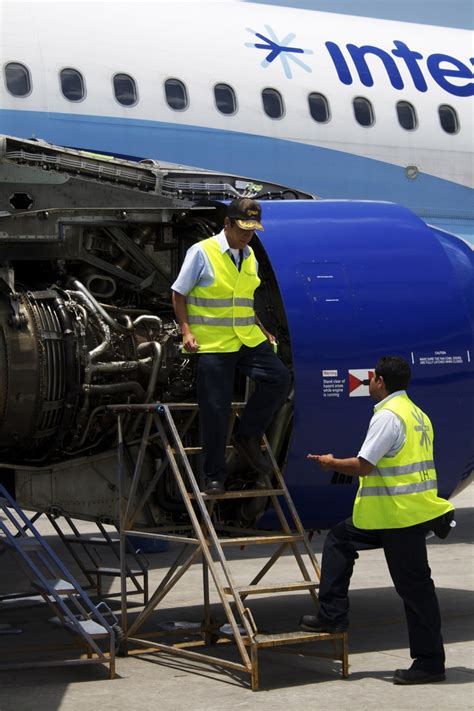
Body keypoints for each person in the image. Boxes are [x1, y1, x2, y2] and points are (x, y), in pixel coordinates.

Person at [301, 355, 455, 685]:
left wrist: (330, 463)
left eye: (372, 379)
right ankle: (331, 616)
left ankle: (429, 662)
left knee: (415, 590)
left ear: (380, 381)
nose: (369, 383)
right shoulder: (418, 414)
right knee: (341, 539)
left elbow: (363, 465)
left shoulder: (388, 416)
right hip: (394, 514)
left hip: (400, 518)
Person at [171, 198, 291, 495]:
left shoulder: (250, 256)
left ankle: (247, 435)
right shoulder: (202, 252)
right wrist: (186, 330)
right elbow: (178, 293)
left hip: (246, 338)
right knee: (215, 409)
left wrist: (264, 331)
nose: (247, 235)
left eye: (252, 230)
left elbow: (245, 301)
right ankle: (214, 475)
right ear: (227, 224)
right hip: (213, 343)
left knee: (279, 378)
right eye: (242, 229)